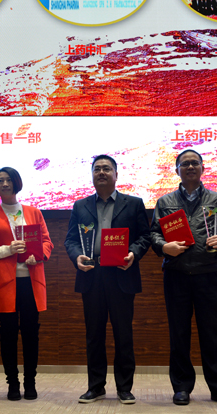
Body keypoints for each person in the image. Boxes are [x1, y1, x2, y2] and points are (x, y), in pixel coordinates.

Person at [150, 149, 217, 407]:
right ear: (176, 170)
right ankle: (181, 388)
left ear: (202, 168)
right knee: (179, 334)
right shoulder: (164, 202)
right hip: (176, 275)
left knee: (212, 334)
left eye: (194, 163)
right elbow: (154, 234)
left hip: (208, 274)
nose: (190, 167)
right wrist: (163, 246)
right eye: (185, 164)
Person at [64, 155, 150, 405]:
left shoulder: (133, 204)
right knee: (94, 334)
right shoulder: (80, 206)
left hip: (122, 273)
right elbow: (71, 240)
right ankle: (96, 386)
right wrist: (76, 256)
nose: (101, 172)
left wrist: (133, 253)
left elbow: (144, 237)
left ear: (116, 175)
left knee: (123, 334)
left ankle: (124, 388)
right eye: (97, 169)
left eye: (106, 169)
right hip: (92, 274)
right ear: (92, 175)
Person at [0, 167, 53, 401]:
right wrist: (8, 249)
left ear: (16, 183)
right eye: (0, 180)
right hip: (5, 282)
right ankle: (12, 383)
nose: (4, 184)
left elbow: (47, 243)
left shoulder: (33, 212)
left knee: (31, 333)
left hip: (31, 282)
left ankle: (30, 382)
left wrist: (38, 256)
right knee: (8, 334)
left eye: (8, 180)